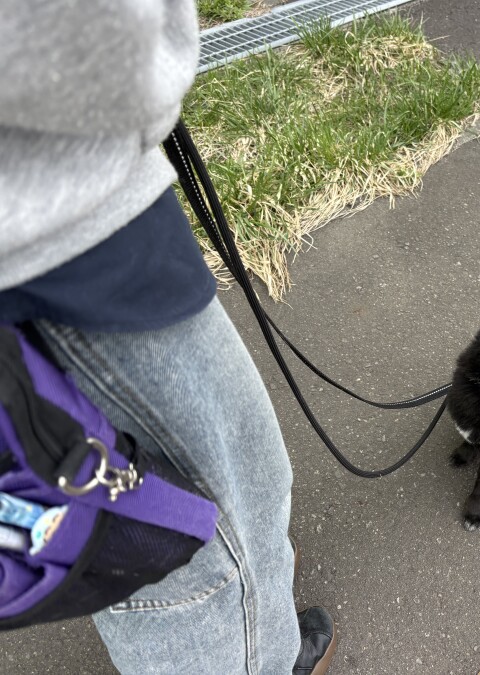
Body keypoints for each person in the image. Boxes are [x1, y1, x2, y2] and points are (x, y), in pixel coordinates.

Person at [0, 2, 335, 673]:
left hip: (48, 225)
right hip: (64, 239)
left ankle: (257, 623)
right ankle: (261, 654)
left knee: (104, 516)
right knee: (194, 537)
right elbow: (89, 39)